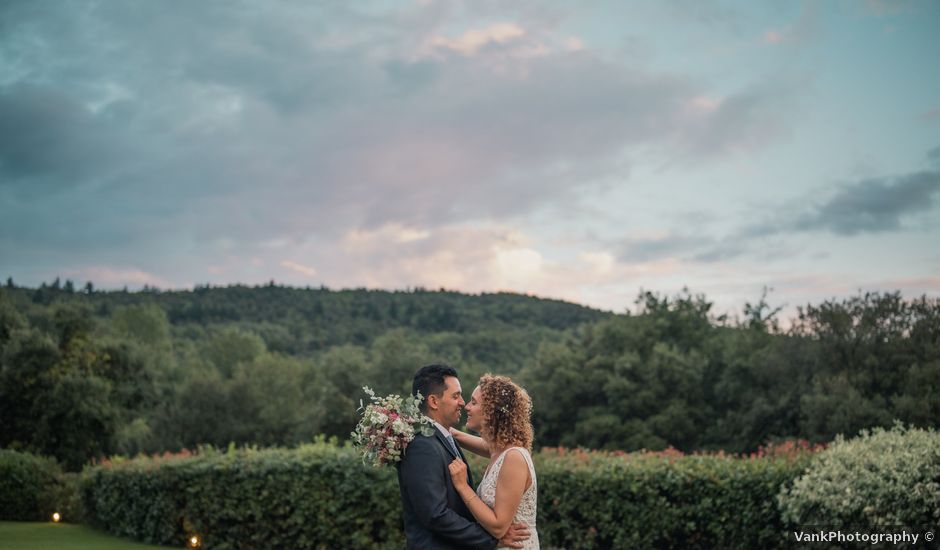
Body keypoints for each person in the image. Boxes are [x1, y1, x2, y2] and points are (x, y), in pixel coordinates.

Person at [397, 364, 531, 549]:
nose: (463, 403)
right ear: (434, 402)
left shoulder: (446, 439)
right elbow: (436, 514)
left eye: (472, 401)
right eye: (456, 396)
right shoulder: (423, 445)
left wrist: (440, 428)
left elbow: (494, 448)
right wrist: (491, 540)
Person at [448, 375, 539, 549]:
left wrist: (462, 486)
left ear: (491, 411)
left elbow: (498, 527)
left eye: (473, 403)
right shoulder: (501, 451)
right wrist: (430, 423)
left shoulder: (513, 458)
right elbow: (457, 435)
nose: (467, 406)